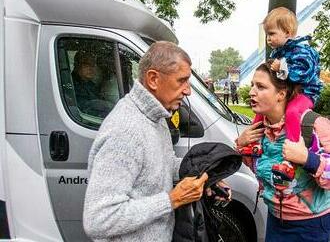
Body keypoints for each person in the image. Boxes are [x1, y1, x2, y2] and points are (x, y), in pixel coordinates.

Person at [83, 41, 230, 242]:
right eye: (182, 81)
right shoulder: (125, 131)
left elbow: (163, 164)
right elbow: (99, 219)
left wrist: (204, 178)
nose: (188, 91)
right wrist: (172, 199)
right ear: (153, 79)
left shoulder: (157, 116)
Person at [236, 61, 330, 242]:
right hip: (275, 223)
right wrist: (241, 145)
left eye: (261, 87)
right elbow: (257, 168)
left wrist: (307, 159)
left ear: (281, 93)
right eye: (252, 85)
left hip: (313, 227)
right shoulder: (259, 130)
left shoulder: (312, 125)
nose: (251, 92)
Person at [253, 7, 323, 143]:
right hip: (288, 92)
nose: (268, 38)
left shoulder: (302, 51)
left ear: (287, 32)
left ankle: (292, 148)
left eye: (272, 34)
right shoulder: (278, 52)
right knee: (262, 110)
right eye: (267, 34)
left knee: (291, 112)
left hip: (305, 93)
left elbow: (304, 74)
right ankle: (254, 142)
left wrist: (282, 67)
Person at [72, 50, 110, 117]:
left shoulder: (90, 84)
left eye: (93, 64)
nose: (91, 68)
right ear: (77, 65)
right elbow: (85, 109)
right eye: (87, 65)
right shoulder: (72, 84)